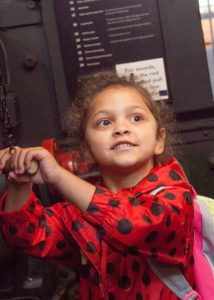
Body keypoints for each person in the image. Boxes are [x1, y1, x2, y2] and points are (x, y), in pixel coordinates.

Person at [0, 70, 196, 300]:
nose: (121, 128)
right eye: (104, 122)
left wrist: (58, 176)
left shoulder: (174, 195)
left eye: (136, 118)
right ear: (86, 151)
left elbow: (131, 225)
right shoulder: (80, 211)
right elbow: (26, 237)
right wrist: (19, 182)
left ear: (159, 140)